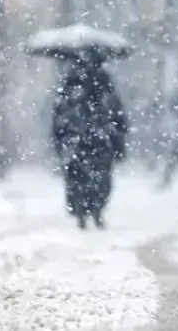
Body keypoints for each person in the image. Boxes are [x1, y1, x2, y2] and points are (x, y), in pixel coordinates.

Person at [52, 53, 128, 230]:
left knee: (78, 178)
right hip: (99, 140)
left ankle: (82, 210)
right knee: (98, 178)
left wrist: (60, 139)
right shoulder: (103, 83)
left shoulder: (70, 84)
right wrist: (118, 141)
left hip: (78, 140)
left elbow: (59, 115)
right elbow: (117, 114)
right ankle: (95, 210)